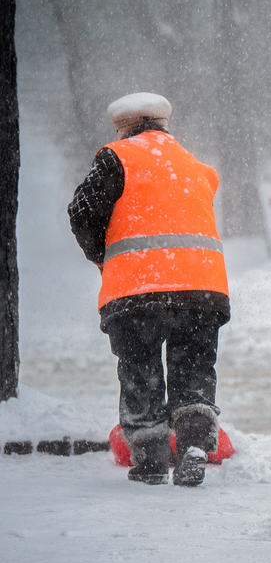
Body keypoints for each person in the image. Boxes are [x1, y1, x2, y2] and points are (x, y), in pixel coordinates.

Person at [68, 93, 229, 487]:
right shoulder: (196, 166)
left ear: (123, 128)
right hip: (202, 289)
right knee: (193, 370)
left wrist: (102, 258)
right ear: (164, 126)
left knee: (141, 372)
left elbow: (81, 213)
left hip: (138, 289)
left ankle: (152, 459)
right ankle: (193, 445)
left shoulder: (117, 158)